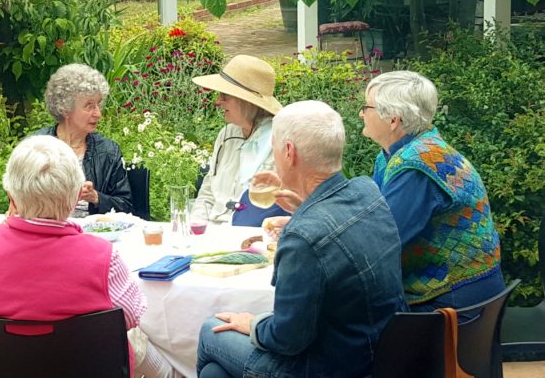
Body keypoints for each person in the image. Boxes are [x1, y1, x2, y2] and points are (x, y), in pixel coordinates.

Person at [196, 101, 406, 378]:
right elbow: (333, 230)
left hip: (328, 367)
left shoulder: (302, 238)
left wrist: (254, 323)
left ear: (288, 152)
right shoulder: (367, 191)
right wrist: (300, 205)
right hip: (381, 355)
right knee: (214, 373)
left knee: (210, 329)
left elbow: (287, 339)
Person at [0, 134, 171, 378]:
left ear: (12, 196)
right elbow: (132, 316)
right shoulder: (102, 256)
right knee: (138, 339)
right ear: (74, 199)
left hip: (2, 367)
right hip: (83, 367)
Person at [361, 70, 504, 311]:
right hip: (450, 293)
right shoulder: (395, 154)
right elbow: (370, 216)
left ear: (393, 119)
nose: (361, 113)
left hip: (455, 304)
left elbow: (379, 241)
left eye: (367, 107)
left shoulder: (417, 166)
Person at [190, 55, 289, 226]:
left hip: (248, 237)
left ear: (246, 101)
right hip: (210, 235)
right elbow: (207, 193)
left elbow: (271, 210)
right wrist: (196, 226)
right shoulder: (226, 135)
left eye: (225, 95)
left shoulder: (278, 142)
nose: (218, 101)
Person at [36, 63, 133, 216]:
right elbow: (19, 200)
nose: (98, 113)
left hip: (93, 234)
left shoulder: (108, 151)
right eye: (89, 106)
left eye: (98, 104)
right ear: (65, 108)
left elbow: (126, 206)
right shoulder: (36, 148)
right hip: (48, 231)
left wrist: (96, 197)